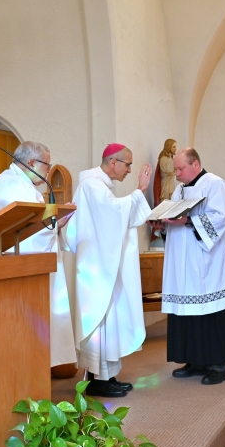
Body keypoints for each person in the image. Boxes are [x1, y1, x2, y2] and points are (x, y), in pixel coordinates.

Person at [65, 143, 152, 397]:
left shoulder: (99, 186)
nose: (129, 170)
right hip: (95, 269)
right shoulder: (91, 185)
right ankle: (97, 379)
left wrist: (135, 196)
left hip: (103, 264)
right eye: (127, 164)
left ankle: (108, 375)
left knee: (109, 319)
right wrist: (139, 192)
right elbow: (113, 215)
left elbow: (115, 218)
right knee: (100, 320)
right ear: (113, 162)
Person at [0, 141, 77, 368]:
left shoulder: (19, 184)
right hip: (22, 272)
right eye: (47, 164)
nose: (48, 170)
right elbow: (23, 235)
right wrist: (55, 225)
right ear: (33, 163)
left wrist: (56, 224)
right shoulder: (11, 186)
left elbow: (31, 226)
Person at [162, 148, 225, 385]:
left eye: (180, 168)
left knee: (211, 310)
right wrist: (162, 222)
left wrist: (186, 220)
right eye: (175, 169)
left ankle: (218, 364)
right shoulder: (178, 190)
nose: (176, 174)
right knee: (188, 310)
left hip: (210, 262)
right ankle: (194, 360)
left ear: (195, 164)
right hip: (183, 263)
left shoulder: (215, 184)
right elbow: (174, 218)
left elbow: (221, 217)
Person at [157, 138, 178, 204]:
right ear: (169, 147)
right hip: (167, 185)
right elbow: (171, 169)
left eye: (176, 147)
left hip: (172, 183)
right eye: (174, 147)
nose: (176, 149)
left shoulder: (170, 159)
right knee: (167, 203)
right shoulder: (163, 159)